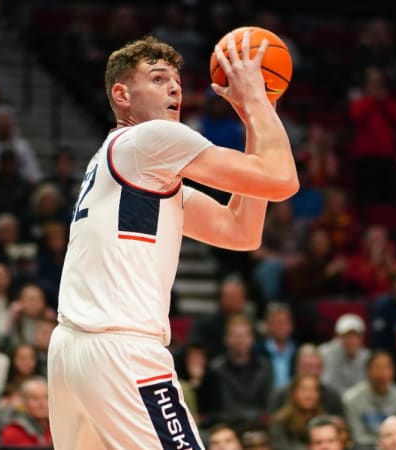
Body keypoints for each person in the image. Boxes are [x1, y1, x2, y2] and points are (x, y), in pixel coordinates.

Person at [48, 33, 298, 450]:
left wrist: (255, 121)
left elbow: (241, 231)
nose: (175, 88)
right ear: (122, 94)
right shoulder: (150, 140)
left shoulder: (131, 161)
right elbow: (282, 180)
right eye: (159, 78)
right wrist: (258, 100)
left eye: (178, 81)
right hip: (120, 350)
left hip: (74, 350)